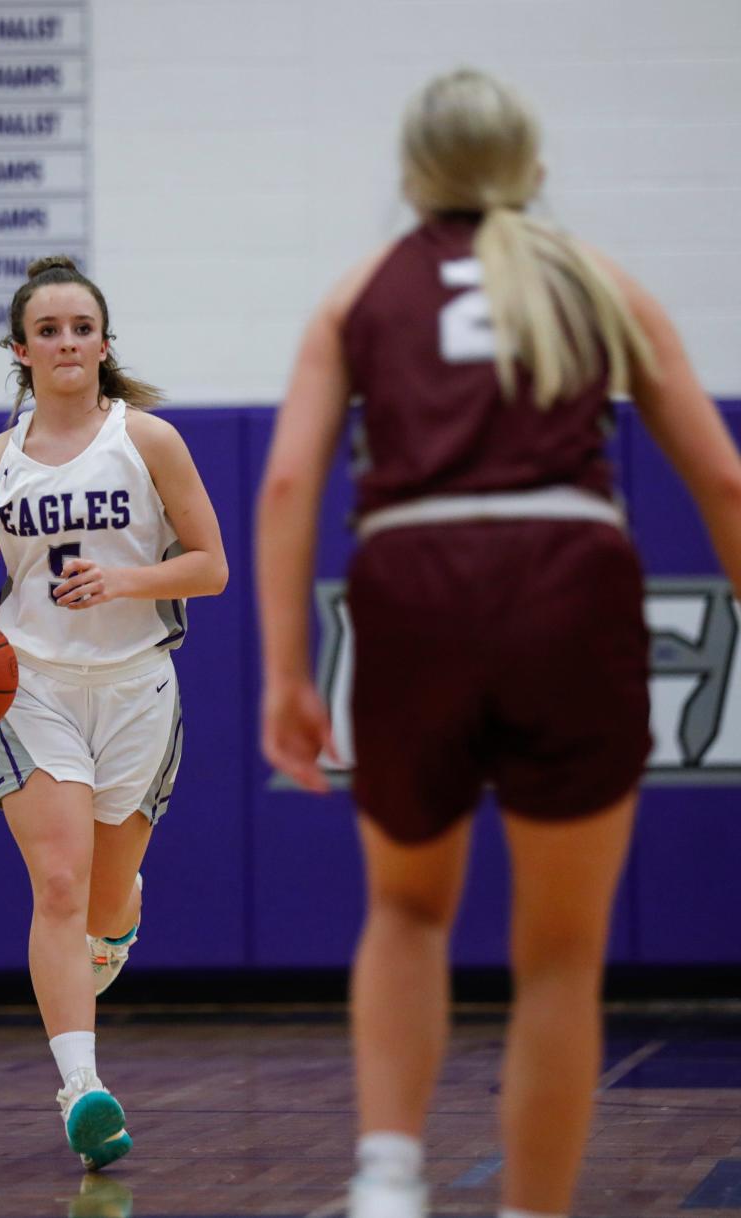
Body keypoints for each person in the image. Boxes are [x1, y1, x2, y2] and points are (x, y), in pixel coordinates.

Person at [255, 68, 741, 1218]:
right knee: (562, 956)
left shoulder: (360, 289)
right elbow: (721, 474)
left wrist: (283, 668)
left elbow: (285, 482)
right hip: (569, 581)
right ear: (533, 165)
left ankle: (385, 1175)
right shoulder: (596, 279)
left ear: (414, 174)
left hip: (414, 583)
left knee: (409, 911)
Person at [0, 254, 228, 1170]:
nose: (66, 343)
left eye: (81, 328)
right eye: (47, 331)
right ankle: (83, 1092)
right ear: (20, 350)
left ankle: (123, 913)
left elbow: (211, 567)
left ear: (104, 344)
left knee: (98, 903)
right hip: (34, 688)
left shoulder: (150, 442)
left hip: (139, 687)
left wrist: (126, 577)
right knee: (57, 887)